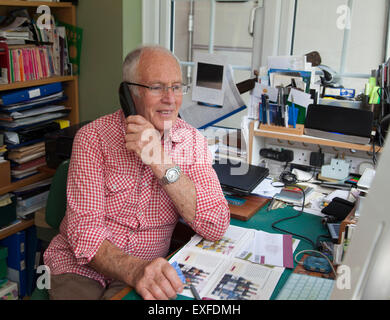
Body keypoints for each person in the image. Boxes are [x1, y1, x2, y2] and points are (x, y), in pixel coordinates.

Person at [43, 45, 230, 300]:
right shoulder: (92, 139)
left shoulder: (192, 142)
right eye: (156, 87)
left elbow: (215, 224)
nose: (170, 98)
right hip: (79, 267)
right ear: (129, 94)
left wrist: (159, 160)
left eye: (176, 87)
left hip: (146, 270)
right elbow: (84, 234)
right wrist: (134, 269)